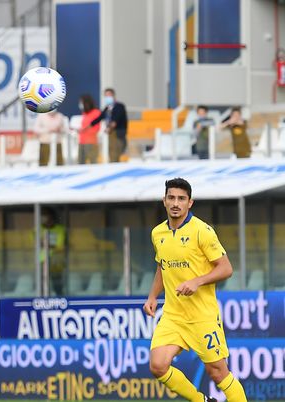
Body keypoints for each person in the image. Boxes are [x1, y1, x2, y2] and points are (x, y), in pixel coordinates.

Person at [144, 178, 247, 402]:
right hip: (174, 315)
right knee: (158, 365)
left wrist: (197, 281)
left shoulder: (202, 231)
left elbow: (226, 268)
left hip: (202, 315)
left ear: (190, 203)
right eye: (171, 197)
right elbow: (162, 265)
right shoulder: (157, 234)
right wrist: (152, 296)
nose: (175, 203)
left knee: (217, 372)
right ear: (164, 201)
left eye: (181, 199)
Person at [86, 88, 128, 162]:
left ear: (113, 96)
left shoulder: (119, 106)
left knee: (116, 153)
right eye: (106, 96)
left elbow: (116, 120)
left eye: (109, 95)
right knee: (111, 152)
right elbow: (100, 118)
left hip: (117, 133)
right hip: (110, 133)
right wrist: (88, 126)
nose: (107, 97)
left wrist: (110, 127)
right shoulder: (107, 108)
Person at [40, 208, 66, 295]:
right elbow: (34, 243)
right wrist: (49, 245)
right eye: (42, 215)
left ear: (51, 217)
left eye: (45, 215)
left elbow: (60, 245)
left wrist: (45, 244)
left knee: (57, 285)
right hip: (41, 262)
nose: (43, 217)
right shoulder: (37, 228)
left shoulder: (60, 229)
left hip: (56, 261)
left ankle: (60, 299)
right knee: (41, 285)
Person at [77, 94, 100, 164]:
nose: (80, 104)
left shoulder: (96, 113)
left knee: (93, 162)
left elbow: (97, 128)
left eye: (82, 102)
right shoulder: (84, 113)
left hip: (91, 142)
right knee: (81, 162)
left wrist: (84, 130)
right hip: (81, 142)